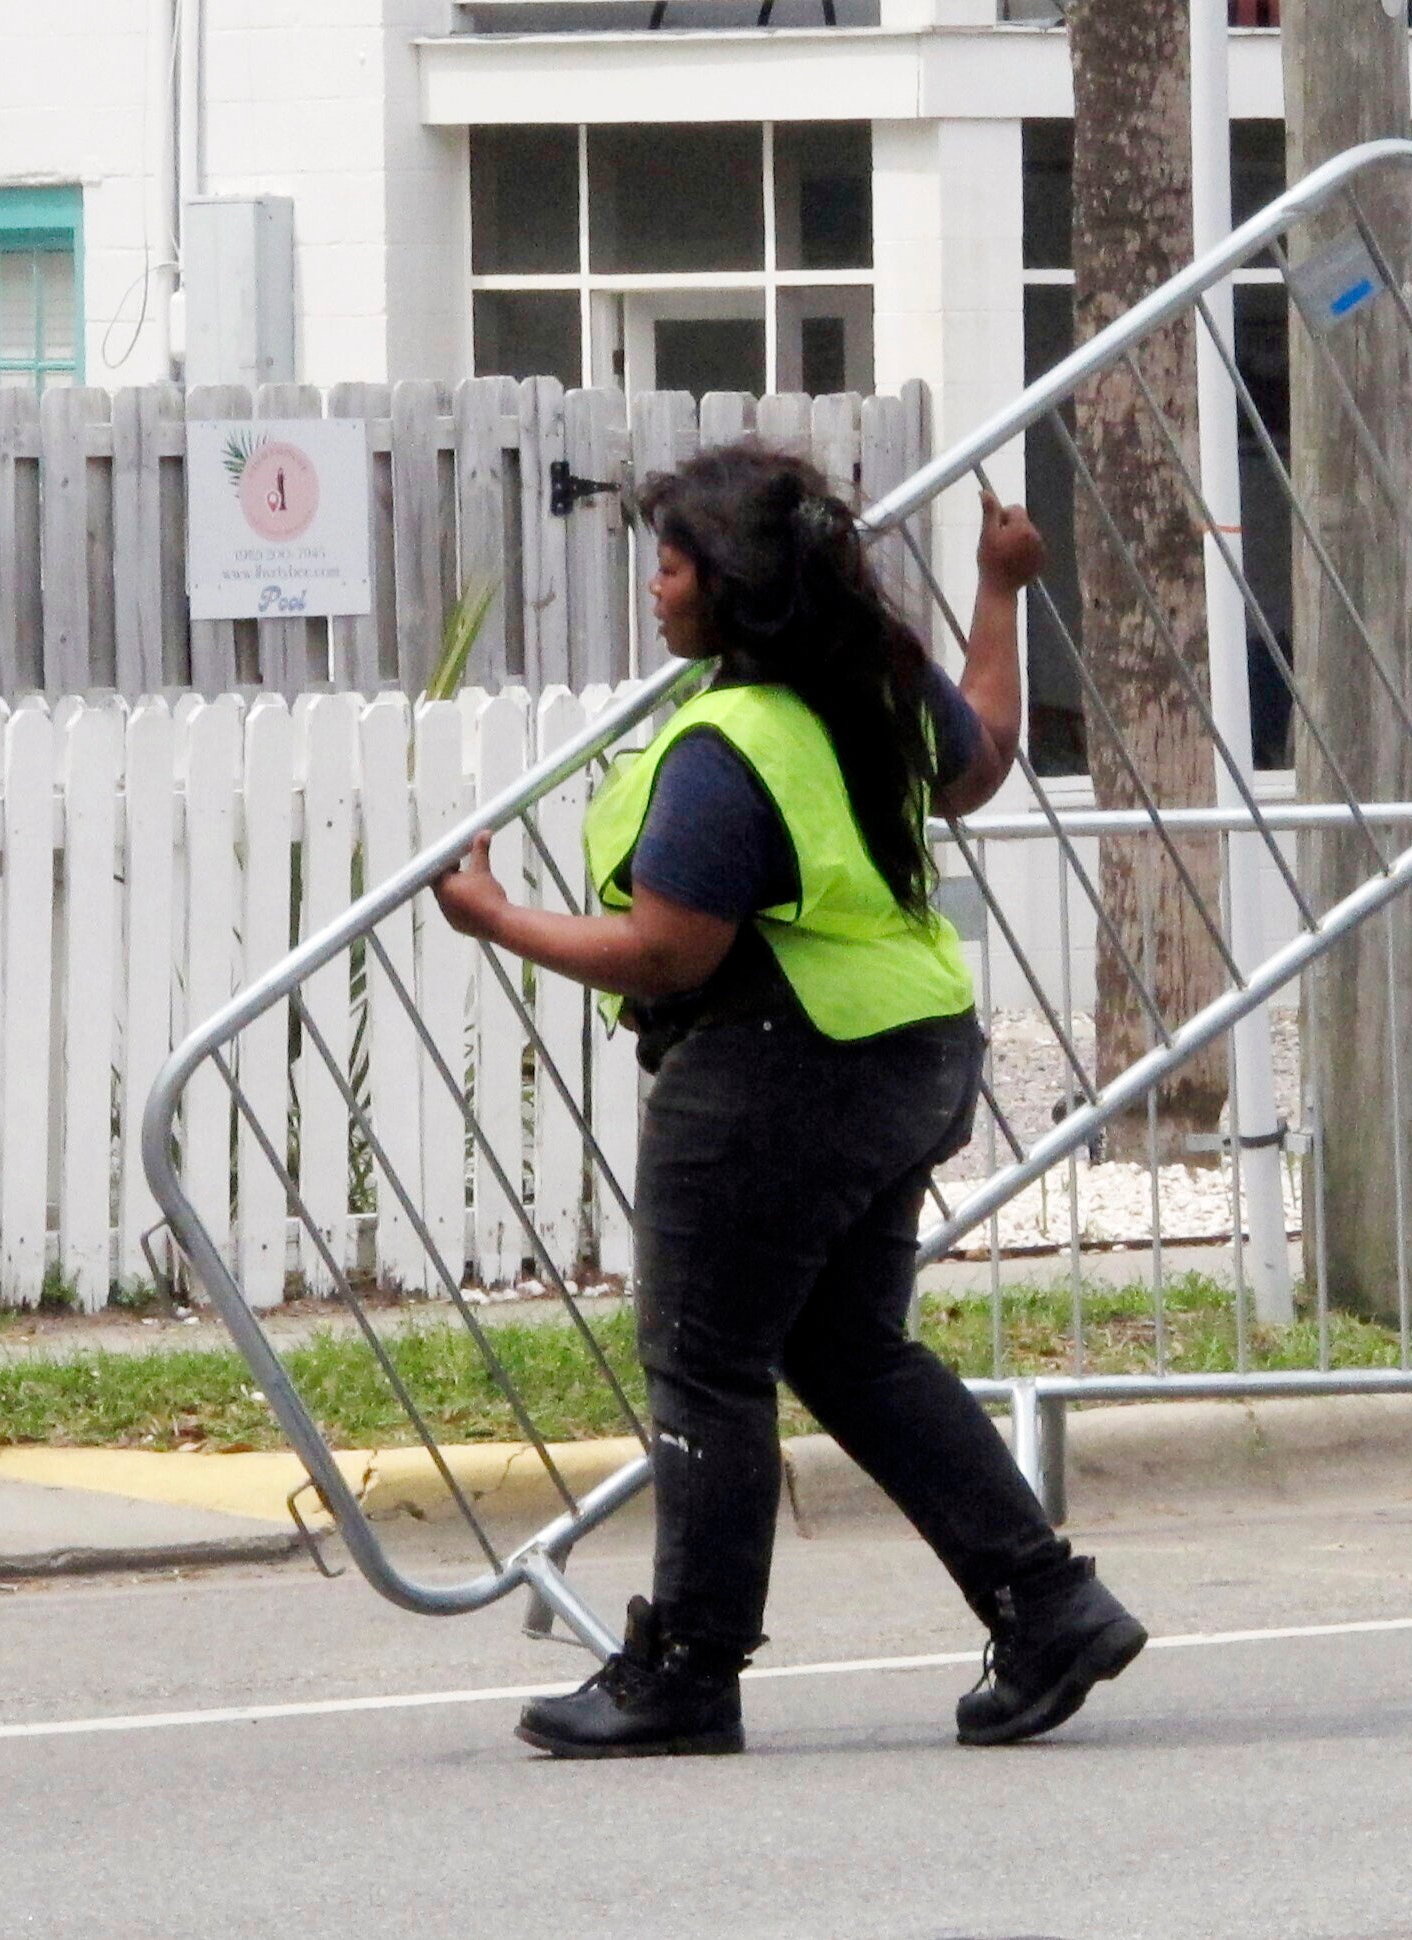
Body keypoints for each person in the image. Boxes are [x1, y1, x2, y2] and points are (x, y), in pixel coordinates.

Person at [430, 441, 1146, 1758]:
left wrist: (496, 918)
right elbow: (980, 761)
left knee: (706, 1361)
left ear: (728, 585)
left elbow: (667, 953)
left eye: (668, 563)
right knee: (851, 1349)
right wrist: (1001, 592)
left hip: (775, 1072)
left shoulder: (726, 745)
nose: (653, 588)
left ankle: (687, 1673)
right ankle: (1046, 1604)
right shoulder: (872, 676)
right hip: (913, 1050)